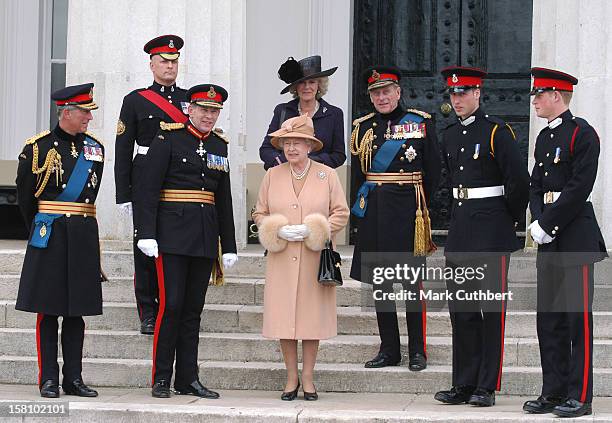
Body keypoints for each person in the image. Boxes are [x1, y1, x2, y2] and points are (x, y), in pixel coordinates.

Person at [434, 66, 530, 407]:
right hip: (461, 230)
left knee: (491, 311)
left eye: (464, 93)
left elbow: (519, 183)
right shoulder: (449, 135)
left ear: (478, 93)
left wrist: (507, 222)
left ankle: (486, 386)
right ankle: (463, 382)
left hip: (491, 231)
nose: (457, 99)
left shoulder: (497, 132)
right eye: (453, 94)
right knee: (462, 310)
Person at [135, 84, 238, 399]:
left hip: (205, 237)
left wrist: (230, 243)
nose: (208, 115)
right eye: (203, 109)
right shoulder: (167, 139)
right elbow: (147, 190)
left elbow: (223, 198)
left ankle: (188, 378)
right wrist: (146, 233)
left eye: (214, 111)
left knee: (193, 310)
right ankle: (162, 377)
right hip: (171, 237)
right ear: (189, 110)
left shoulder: (220, 145)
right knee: (171, 306)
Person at [523, 67, 607, 418]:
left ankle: (580, 395)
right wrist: (537, 218)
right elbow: (536, 184)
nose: (534, 101)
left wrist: (549, 223)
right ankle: (553, 391)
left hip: (573, 236)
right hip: (549, 236)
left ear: (557, 95)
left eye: (539, 95)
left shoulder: (582, 134)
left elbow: (579, 187)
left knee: (576, 319)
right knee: (550, 319)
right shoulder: (543, 138)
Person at [349, 66, 440, 372]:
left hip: (408, 212)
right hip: (375, 213)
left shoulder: (420, 122)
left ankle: (417, 350)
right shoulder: (362, 128)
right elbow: (357, 177)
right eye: (376, 93)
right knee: (382, 285)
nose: (382, 97)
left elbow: (435, 172)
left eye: (387, 91)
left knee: (412, 284)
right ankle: (389, 349)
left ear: (399, 92)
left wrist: (425, 213)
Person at [16, 83, 103, 398]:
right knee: (48, 311)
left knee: (76, 312)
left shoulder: (95, 148)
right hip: (49, 236)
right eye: (85, 113)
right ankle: (48, 378)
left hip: (81, 236)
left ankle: (74, 378)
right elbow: (26, 199)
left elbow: (89, 197)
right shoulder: (38, 147)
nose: (89, 119)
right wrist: (39, 231)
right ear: (67, 112)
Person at [253, 114, 349, 401]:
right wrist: (276, 229)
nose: (291, 148)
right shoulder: (272, 174)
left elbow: (341, 213)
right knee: (284, 319)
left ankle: (308, 377)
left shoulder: (327, 174)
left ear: (310, 146)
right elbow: (259, 213)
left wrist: (315, 229)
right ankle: (290, 377)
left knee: (310, 320)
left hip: (313, 258)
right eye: (287, 143)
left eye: (298, 142)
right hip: (282, 258)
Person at [114, 34, 189, 335]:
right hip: (145, 178)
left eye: (174, 61)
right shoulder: (134, 100)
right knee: (145, 246)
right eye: (164, 61)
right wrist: (124, 195)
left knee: (173, 244)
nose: (170, 66)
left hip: (178, 180)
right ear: (152, 64)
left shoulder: (189, 99)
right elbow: (122, 149)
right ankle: (148, 309)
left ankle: (172, 304)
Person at [259, 55, 345, 169]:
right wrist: (281, 161)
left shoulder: (334, 114)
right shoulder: (282, 111)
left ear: (319, 85)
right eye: (302, 82)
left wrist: (312, 161)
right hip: (286, 177)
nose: (307, 87)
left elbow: (339, 155)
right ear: (295, 86)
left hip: (318, 180)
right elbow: (265, 149)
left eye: (312, 82)